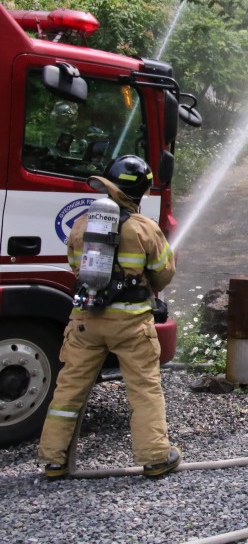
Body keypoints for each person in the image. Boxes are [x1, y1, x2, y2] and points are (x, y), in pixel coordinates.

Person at [38, 155, 180, 480]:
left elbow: (75, 264)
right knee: (143, 389)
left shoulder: (83, 223)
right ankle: (156, 457)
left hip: (85, 320)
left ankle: (52, 461)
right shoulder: (145, 227)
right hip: (131, 324)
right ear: (140, 191)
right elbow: (163, 274)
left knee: (69, 389)